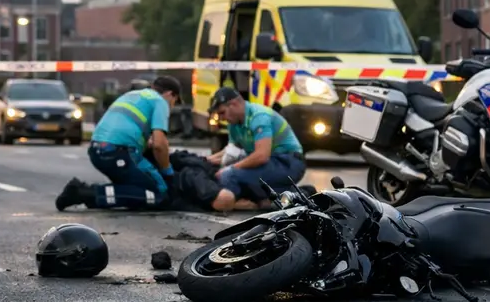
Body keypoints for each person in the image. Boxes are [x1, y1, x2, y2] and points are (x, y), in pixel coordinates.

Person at [55, 75, 183, 211]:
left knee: (136, 189)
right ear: (170, 94)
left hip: (97, 151)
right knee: (159, 195)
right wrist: (168, 172)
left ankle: (96, 195)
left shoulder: (133, 95)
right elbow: (159, 145)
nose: (172, 106)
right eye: (174, 101)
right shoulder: (160, 101)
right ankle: (83, 193)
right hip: (118, 153)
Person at [204, 87, 306, 212]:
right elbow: (231, 151)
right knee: (220, 173)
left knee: (229, 175)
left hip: (288, 162)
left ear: (234, 104)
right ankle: (292, 194)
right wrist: (208, 160)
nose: (221, 118)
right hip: (271, 162)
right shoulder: (234, 124)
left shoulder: (259, 117)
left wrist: (230, 169)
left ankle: (237, 202)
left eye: (222, 113)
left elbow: (261, 156)